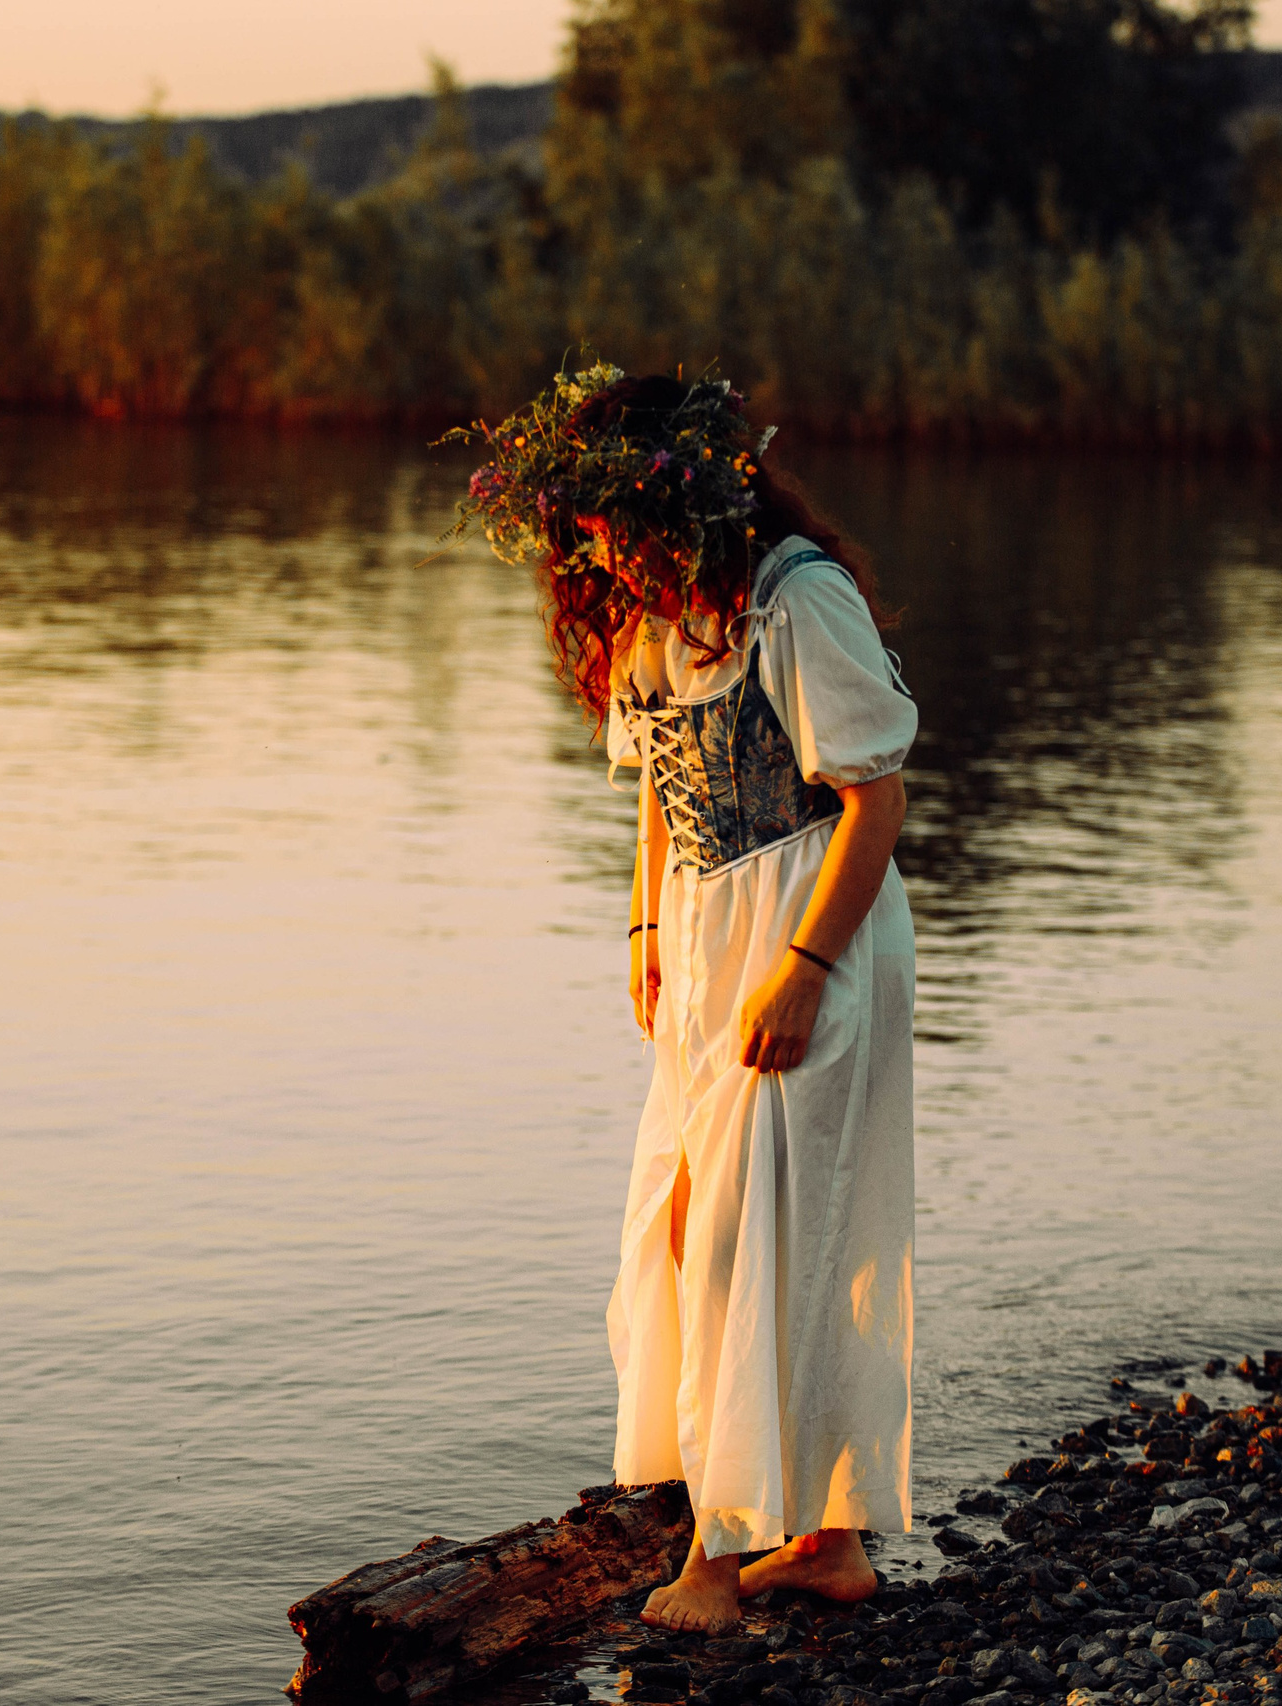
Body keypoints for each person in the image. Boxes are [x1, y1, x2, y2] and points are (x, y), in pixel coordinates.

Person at [447, 365, 919, 1634]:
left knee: (748, 1239)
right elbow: (661, 788)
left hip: (813, 926)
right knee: (694, 1216)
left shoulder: (797, 601)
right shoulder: (655, 617)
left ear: (685, 502)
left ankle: (718, 1553)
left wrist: (804, 971)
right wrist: (650, 926)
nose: (598, 559)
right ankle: (825, 1540)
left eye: (613, 531)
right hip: (710, 939)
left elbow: (877, 799)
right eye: (584, 541)